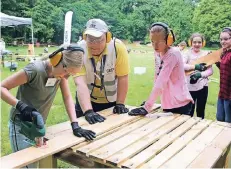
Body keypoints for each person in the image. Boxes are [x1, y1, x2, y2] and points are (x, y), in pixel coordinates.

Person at [1, 45, 96, 168]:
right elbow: (2, 87)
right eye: (67, 71)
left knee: (34, 164)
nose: (66, 77)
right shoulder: (35, 70)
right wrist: (20, 105)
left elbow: (67, 98)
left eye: (70, 74)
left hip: (38, 126)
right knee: (26, 166)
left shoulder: (59, 76)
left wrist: (75, 125)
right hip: (21, 126)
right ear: (57, 60)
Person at [129, 22, 193, 116]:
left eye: (159, 42)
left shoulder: (173, 54)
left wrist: (147, 106)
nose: (155, 46)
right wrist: (150, 101)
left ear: (168, 39)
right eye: (152, 42)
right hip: (168, 103)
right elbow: (157, 77)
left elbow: (161, 81)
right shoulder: (158, 53)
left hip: (181, 104)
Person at [74, 19, 130, 124]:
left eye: (99, 40)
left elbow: (123, 77)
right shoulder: (79, 50)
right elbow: (80, 82)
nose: (94, 45)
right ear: (85, 38)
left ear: (107, 37)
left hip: (110, 100)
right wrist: (88, 111)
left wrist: (120, 103)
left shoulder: (118, 48)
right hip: (86, 99)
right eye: (90, 40)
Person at [183, 33, 213, 119]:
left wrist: (200, 74)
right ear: (191, 42)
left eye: (199, 42)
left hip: (203, 87)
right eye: (194, 42)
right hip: (189, 87)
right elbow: (182, 66)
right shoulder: (186, 54)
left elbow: (210, 71)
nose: (197, 44)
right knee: (189, 111)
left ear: (203, 43)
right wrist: (195, 67)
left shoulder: (206, 54)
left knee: (200, 111)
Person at [216, 27, 231, 122]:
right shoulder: (225, 52)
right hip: (222, 92)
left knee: (228, 122)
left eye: (226, 39)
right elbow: (225, 69)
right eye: (221, 39)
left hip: (230, 95)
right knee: (220, 119)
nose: (222, 41)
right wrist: (217, 63)